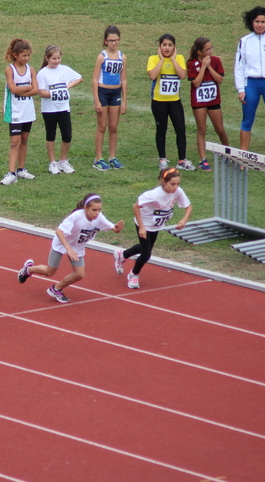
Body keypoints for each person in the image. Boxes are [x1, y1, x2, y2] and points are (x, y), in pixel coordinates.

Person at [18, 194, 124, 303]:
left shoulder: (99, 217)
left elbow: (113, 228)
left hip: (77, 247)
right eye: (94, 210)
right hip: (62, 243)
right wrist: (68, 248)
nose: (97, 213)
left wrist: (116, 229)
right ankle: (28, 269)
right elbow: (59, 232)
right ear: (85, 208)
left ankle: (56, 289)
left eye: (99, 210)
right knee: (49, 272)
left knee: (79, 274)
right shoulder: (76, 216)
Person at [113, 168, 192, 289]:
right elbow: (135, 207)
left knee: (146, 248)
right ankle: (134, 274)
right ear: (163, 181)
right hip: (144, 223)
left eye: (178, 184)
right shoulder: (153, 195)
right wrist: (142, 227)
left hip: (156, 225)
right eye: (172, 184)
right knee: (146, 254)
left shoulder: (178, 191)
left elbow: (188, 206)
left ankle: (122, 254)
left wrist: (184, 220)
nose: (175, 187)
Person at [234, 6, 265, 159]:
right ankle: (243, 156)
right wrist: (241, 89)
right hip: (251, 85)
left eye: (263, 21)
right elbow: (239, 67)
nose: (260, 25)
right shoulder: (245, 41)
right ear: (251, 22)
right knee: (247, 120)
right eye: (257, 21)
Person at [147, 34, 193, 171]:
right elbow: (153, 75)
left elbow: (183, 75)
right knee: (161, 129)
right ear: (159, 47)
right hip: (159, 102)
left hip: (174, 101)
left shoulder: (179, 58)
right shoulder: (153, 59)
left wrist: (173, 60)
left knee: (180, 129)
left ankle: (182, 160)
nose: (167, 48)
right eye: (164, 45)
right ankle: (162, 159)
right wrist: (161, 60)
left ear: (174, 47)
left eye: (170, 45)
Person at [37, 44, 83, 174]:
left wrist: (67, 86)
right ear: (47, 58)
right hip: (49, 109)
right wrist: (55, 93)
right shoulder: (42, 73)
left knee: (67, 135)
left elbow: (79, 78)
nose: (56, 61)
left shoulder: (64, 70)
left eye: (58, 58)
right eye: (54, 59)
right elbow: (41, 92)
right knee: (51, 135)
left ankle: (63, 161)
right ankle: (52, 162)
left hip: (63, 108)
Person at [187, 37, 230, 170]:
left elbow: (220, 79)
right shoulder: (192, 63)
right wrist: (203, 67)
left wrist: (209, 66)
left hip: (213, 100)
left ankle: (228, 154)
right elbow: (196, 83)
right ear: (199, 52)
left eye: (211, 48)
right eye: (207, 49)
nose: (211, 51)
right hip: (199, 101)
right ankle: (203, 159)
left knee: (220, 129)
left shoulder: (216, 61)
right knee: (202, 130)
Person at [0, 39, 39, 184]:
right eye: (24, 56)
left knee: (24, 140)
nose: (27, 58)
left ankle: (21, 169)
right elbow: (13, 89)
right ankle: (11, 172)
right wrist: (27, 88)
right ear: (15, 55)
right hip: (15, 111)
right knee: (14, 141)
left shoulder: (31, 70)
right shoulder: (10, 69)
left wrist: (24, 90)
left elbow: (36, 90)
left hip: (27, 111)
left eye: (28, 55)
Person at [92, 25, 128, 171]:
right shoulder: (102, 57)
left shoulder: (122, 57)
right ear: (105, 41)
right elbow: (94, 79)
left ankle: (112, 157)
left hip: (116, 93)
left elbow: (123, 79)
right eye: (110, 40)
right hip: (103, 92)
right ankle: (98, 158)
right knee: (102, 126)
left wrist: (125, 100)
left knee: (113, 127)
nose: (113, 43)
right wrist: (96, 100)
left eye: (116, 40)